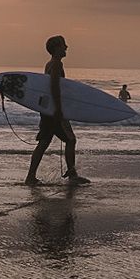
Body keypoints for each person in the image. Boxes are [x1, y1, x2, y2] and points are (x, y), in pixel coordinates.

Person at [25, 35, 87, 186]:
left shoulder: (50, 63)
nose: (66, 47)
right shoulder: (56, 64)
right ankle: (72, 174)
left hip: (48, 109)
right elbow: (54, 87)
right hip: (53, 110)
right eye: (63, 45)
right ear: (56, 48)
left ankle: (31, 177)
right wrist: (59, 109)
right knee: (70, 139)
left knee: (45, 142)